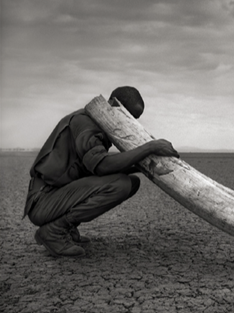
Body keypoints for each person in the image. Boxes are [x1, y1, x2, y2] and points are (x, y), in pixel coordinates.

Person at [23, 86, 179, 257]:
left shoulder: (94, 123)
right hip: (44, 201)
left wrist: (144, 167)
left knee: (132, 182)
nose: (129, 124)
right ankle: (55, 230)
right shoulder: (85, 124)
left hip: (55, 197)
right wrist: (150, 147)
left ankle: (65, 228)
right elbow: (102, 166)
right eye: (128, 117)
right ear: (113, 105)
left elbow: (96, 169)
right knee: (120, 185)